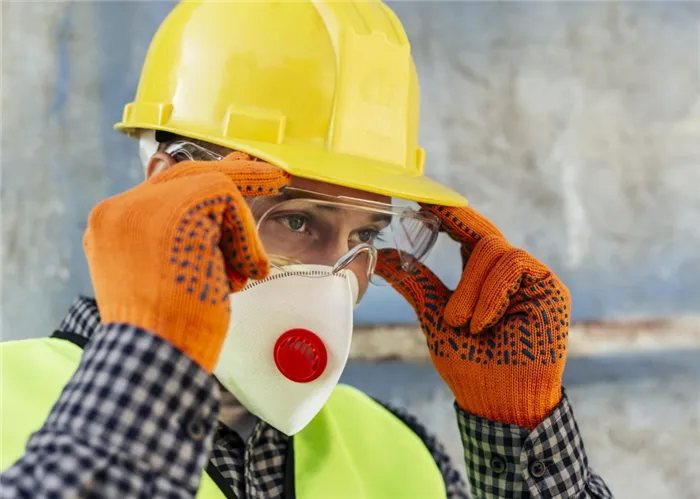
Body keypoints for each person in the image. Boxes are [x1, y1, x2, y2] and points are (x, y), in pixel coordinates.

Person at [0, 1, 613, 498]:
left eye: (364, 236)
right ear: (165, 195)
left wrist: (523, 438)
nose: (330, 277)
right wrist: (157, 352)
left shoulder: (398, 457)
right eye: (295, 220)